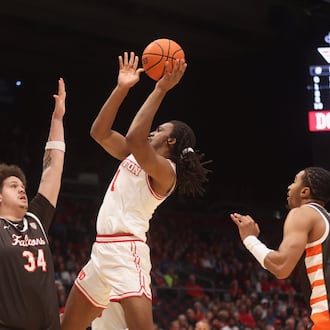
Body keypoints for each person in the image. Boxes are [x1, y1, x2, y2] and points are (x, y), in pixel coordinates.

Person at [60, 51, 210, 330]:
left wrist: (160, 89)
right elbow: (99, 132)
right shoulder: (135, 154)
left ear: (172, 141)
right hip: (101, 251)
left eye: (160, 129)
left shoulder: (166, 171)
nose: (153, 131)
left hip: (127, 252)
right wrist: (121, 88)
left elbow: (134, 136)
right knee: (66, 326)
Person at [0, 78, 66, 329]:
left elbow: (52, 169)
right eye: (13, 186)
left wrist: (57, 120)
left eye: (23, 187)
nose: (22, 190)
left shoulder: (35, 218)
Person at [230, 166, 330, 330]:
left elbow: (281, 266)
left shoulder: (302, 213)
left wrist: (249, 239)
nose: (290, 186)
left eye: (294, 181)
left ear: (305, 191)